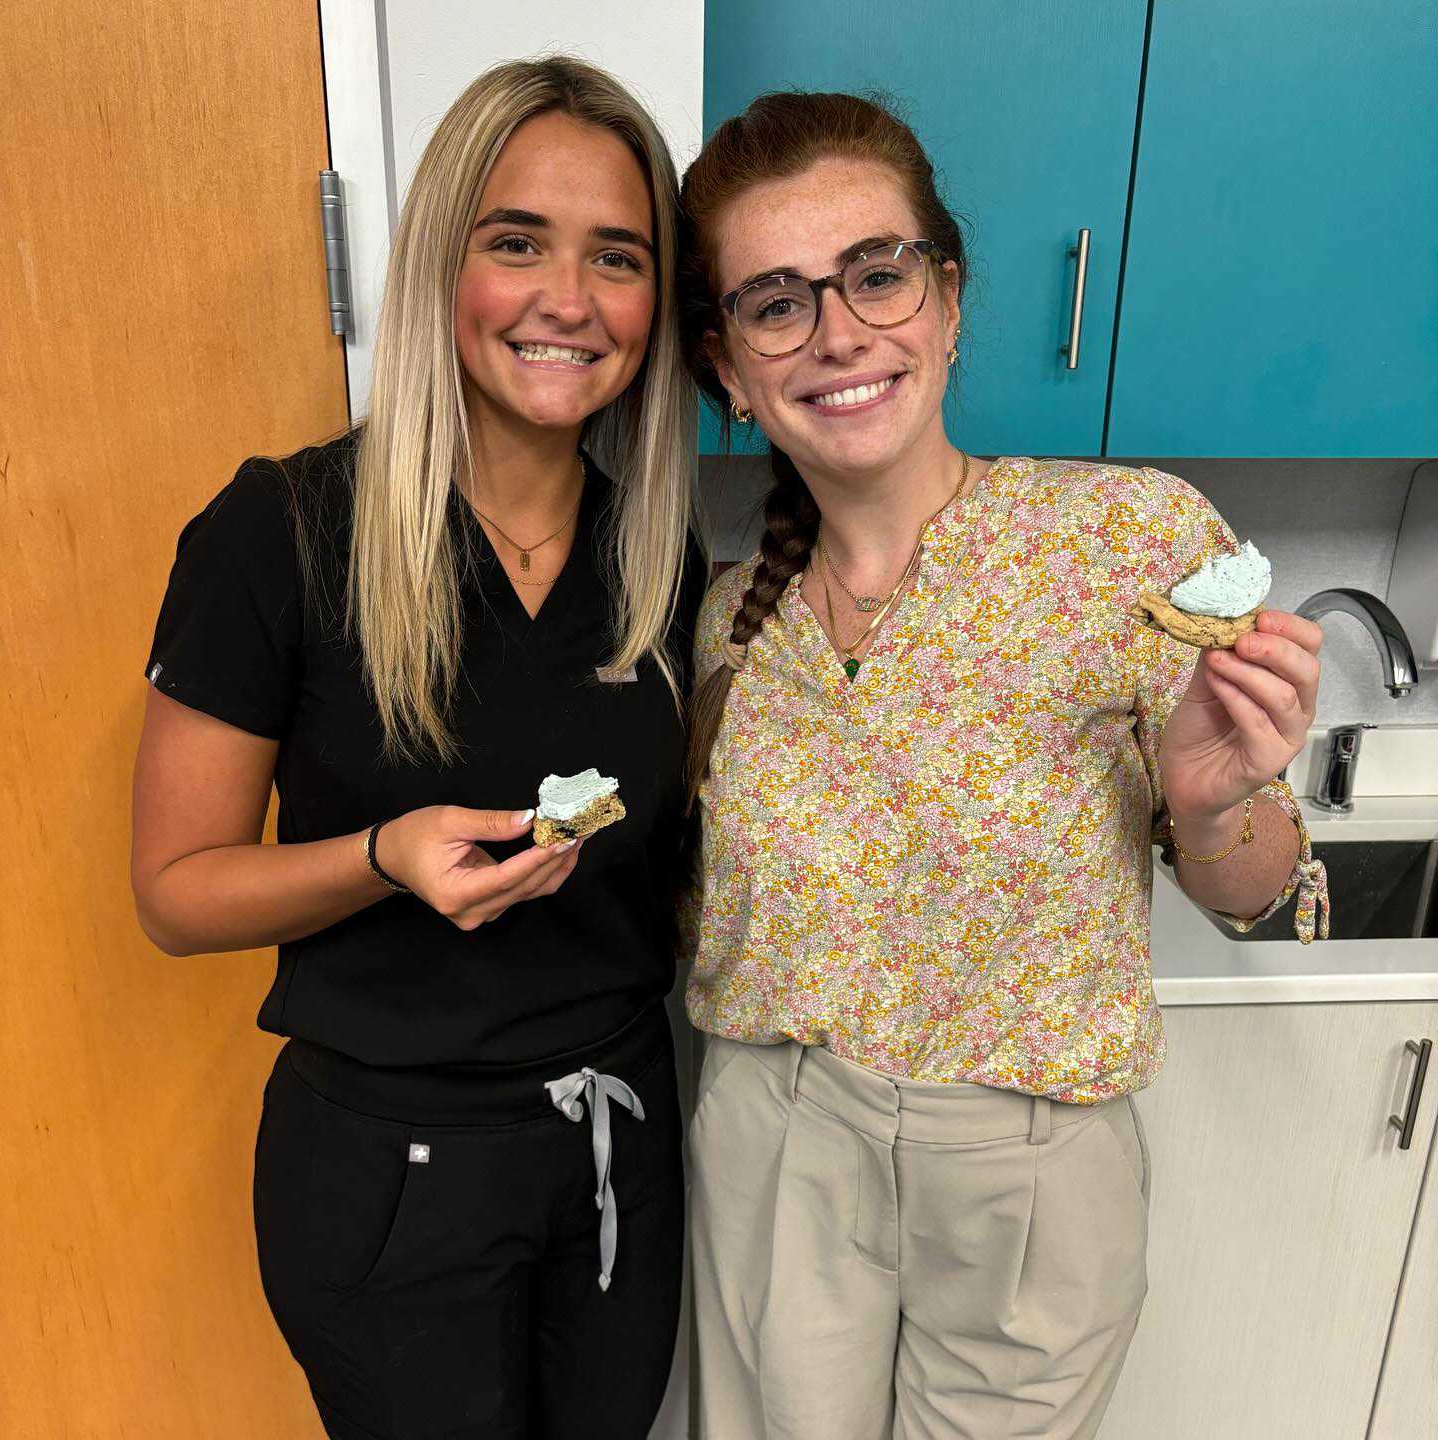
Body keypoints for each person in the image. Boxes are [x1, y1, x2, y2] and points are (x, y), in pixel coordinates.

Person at [676, 91, 1329, 1440]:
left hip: (1031, 1164)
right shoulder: (727, 616)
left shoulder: (1127, 542)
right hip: (776, 1138)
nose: (840, 330)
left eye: (877, 272)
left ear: (951, 300)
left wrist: (1212, 810)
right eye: (776, 302)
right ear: (730, 367)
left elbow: (1269, 895)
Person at [131, 56, 702, 1440]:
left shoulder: (660, 561)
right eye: (519, 244)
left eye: (617, 258)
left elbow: (676, 880)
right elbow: (175, 893)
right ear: (445, 266)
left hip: (620, 1147)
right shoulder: (279, 536)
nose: (569, 299)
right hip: (391, 1172)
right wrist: (384, 857)